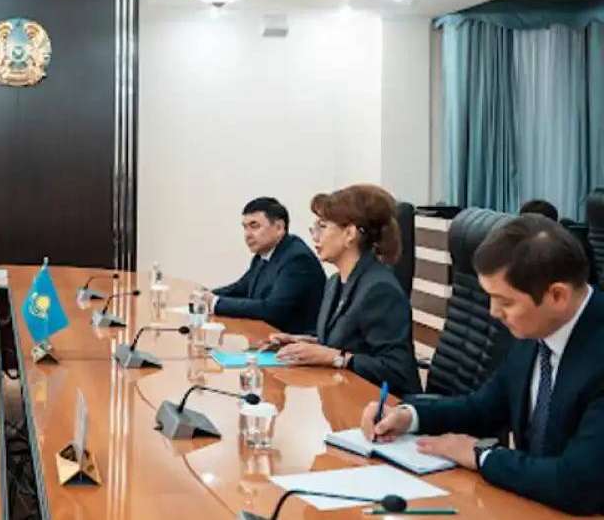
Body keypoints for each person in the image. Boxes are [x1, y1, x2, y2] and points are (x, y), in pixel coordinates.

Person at [361, 216, 604, 515]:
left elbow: (576, 484)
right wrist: (408, 416)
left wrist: (481, 456)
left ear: (557, 296)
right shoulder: (538, 328)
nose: (493, 312)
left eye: (505, 302)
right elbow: (484, 408)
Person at [267, 185, 421, 396]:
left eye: (322, 226)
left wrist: (334, 357)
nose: (314, 235)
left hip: (381, 409)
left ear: (350, 234)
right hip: (343, 396)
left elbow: (397, 371)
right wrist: (305, 343)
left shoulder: (380, 290)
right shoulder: (334, 282)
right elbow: (348, 343)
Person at [200, 197, 326, 334]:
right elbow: (241, 288)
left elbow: (273, 310)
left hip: (295, 345)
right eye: (245, 227)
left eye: (254, 226)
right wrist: (206, 294)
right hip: (267, 336)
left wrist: (215, 303)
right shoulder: (264, 254)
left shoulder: (297, 259)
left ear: (279, 228)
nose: (247, 235)